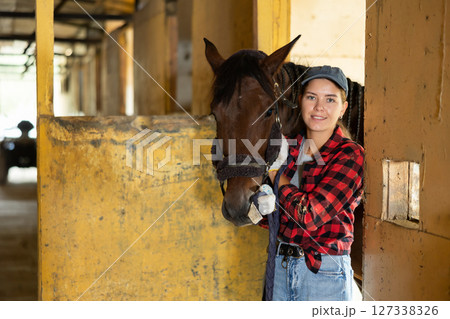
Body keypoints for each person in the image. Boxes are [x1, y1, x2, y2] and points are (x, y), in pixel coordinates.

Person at [257, 65, 364, 301]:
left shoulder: (350, 155)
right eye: (312, 97)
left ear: (343, 108)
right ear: (300, 101)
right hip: (279, 267)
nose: (319, 107)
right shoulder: (288, 147)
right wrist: (259, 209)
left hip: (324, 273)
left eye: (330, 100)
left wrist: (274, 173)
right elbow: (277, 218)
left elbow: (309, 216)